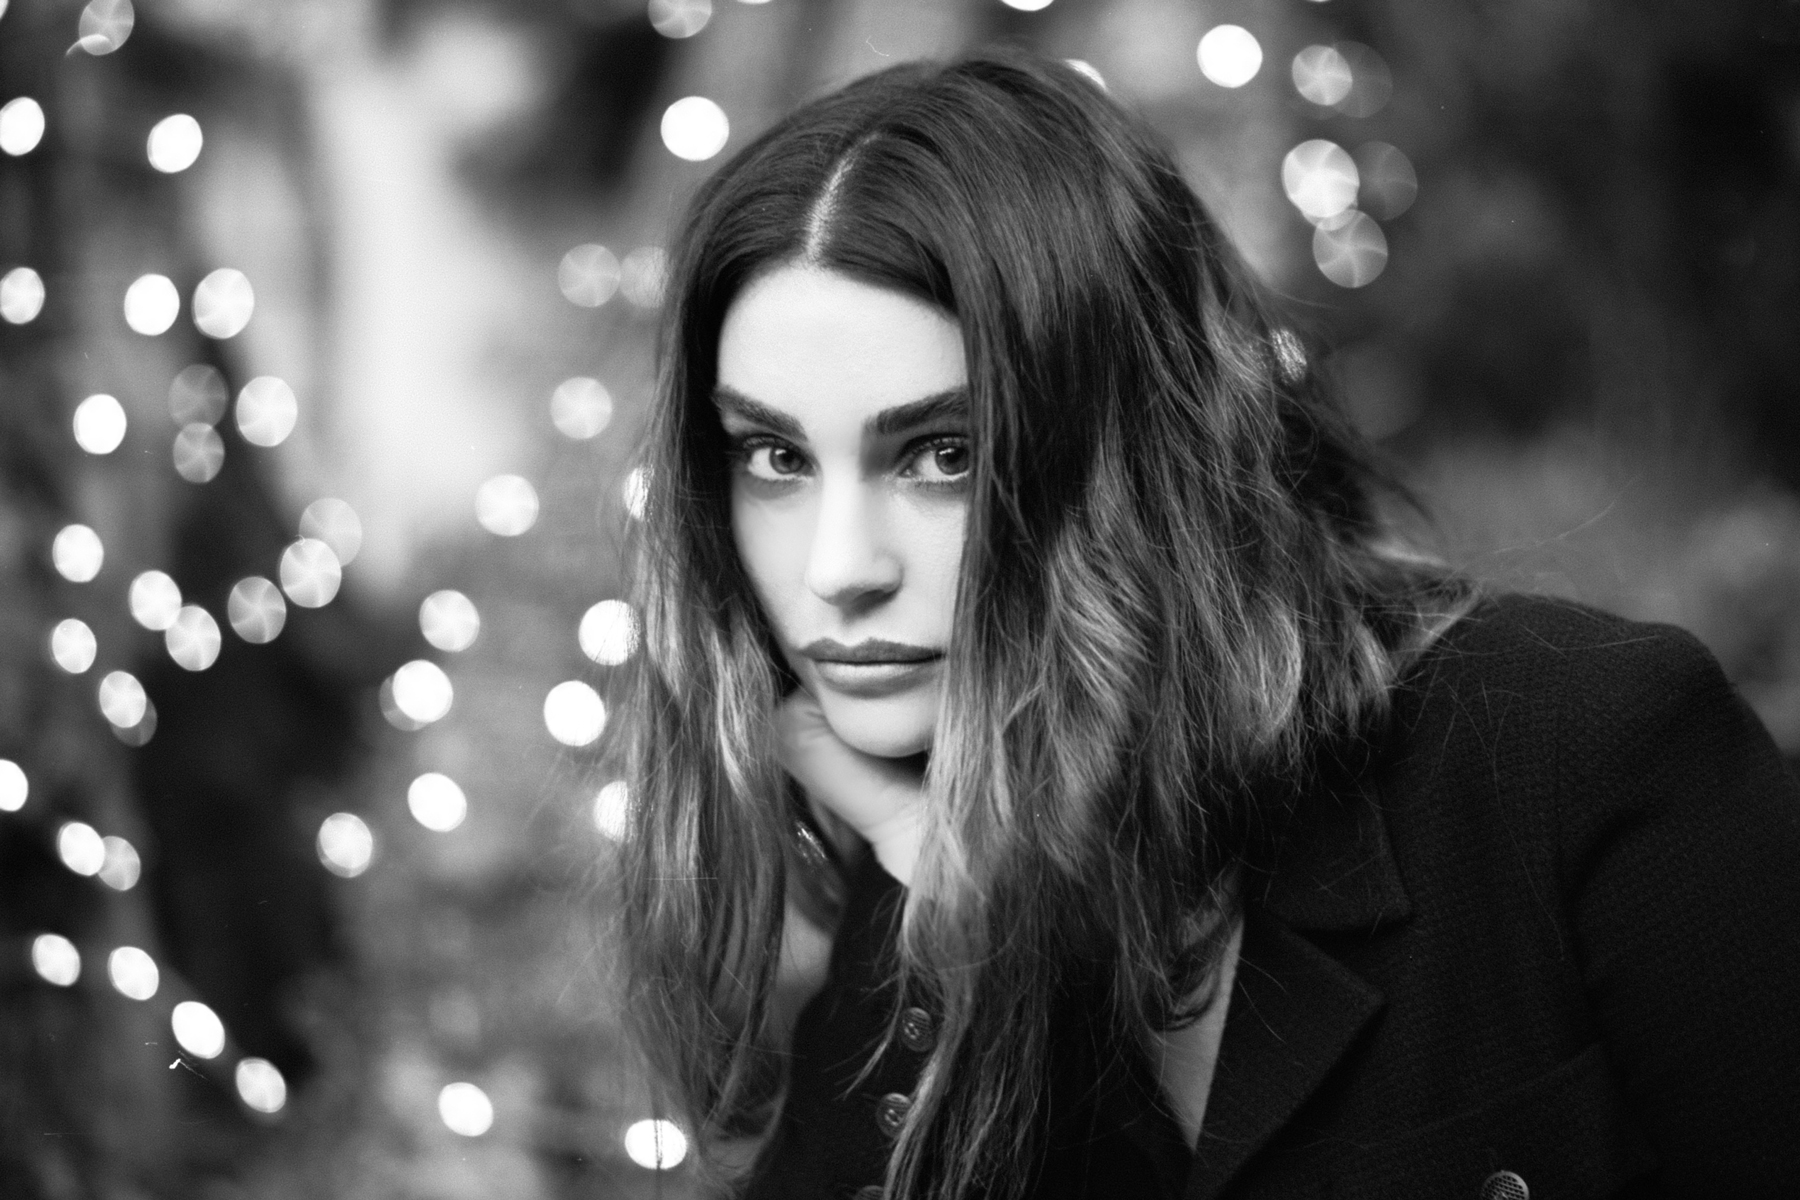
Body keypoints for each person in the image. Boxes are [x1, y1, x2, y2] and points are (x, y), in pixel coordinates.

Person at [612, 49, 1800, 1200]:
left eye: (946, 454)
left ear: (1134, 453)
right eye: (774, 456)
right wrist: (1001, 955)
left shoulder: (1580, 760)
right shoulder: (910, 902)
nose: (838, 571)